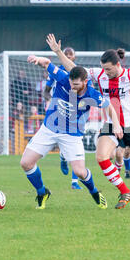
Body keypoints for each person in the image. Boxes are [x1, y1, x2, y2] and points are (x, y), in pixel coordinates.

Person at [47, 33, 130, 209]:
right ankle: (124, 191)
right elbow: (74, 69)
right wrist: (58, 52)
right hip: (110, 125)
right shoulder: (100, 75)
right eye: (103, 69)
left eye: (108, 69)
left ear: (117, 64)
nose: (105, 72)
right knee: (101, 157)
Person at [21, 54, 123, 210]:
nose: (72, 87)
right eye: (71, 83)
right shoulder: (63, 79)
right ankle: (42, 192)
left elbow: (109, 107)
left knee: (80, 172)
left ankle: (94, 192)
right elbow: (47, 63)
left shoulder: (92, 94)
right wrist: (36, 58)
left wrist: (116, 125)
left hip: (72, 135)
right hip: (49, 129)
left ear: (85, 82)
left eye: (76, 85)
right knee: (26, 163)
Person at [44, 47, 86, 190]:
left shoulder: (80, 72)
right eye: (66, 53)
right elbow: (46, 91)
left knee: (76, 142)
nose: (68, 56)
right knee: (66, 139)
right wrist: (52, 102)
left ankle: (75, 182)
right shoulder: (56, 71)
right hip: (60, 109)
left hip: (76, 111)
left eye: (70, 54)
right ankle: (63, 157)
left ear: (74, 57)